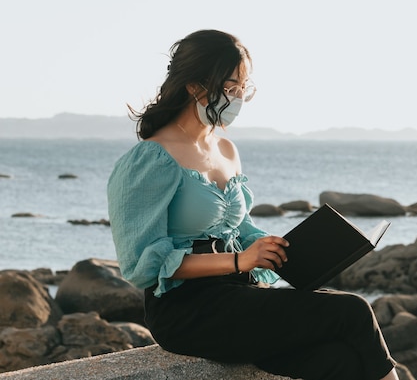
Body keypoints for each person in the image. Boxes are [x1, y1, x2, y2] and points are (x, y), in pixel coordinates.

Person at [107, 29, 399, 380]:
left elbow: (242, 230)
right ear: (195, 87)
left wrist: (278, 249)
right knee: (352, 311)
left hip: (242, 294)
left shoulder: (227, 151)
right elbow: (141, 264)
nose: (238, 97)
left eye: (243, 88)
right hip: (186, 310)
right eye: (230, 87)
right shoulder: (151, 159)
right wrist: (239, 260)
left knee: (339, 360)